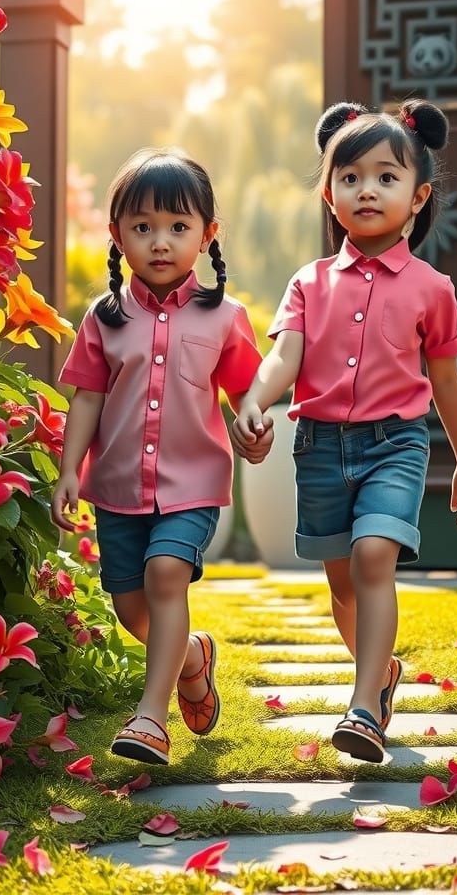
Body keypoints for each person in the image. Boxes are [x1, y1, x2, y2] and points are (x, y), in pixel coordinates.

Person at [232, 100, 457, 763]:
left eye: (385, 176)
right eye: (349, 177)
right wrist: (255, 399)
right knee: (343, 585)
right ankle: (383, 672)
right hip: (318, 446)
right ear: (328, 193)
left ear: (418, 195)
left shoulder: (433, 289)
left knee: (376, 558)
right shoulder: (308, 283)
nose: (366, 189)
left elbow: (448, 383)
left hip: (396, 444)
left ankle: (364, 705)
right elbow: (284, 354)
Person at [51, 148, 271, 766]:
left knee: (166, 576)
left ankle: (152, 717)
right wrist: (70, 470)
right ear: (117, 234)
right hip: (117, 486)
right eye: (142, 226)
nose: (160, 241)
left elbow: (245, 396)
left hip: (192, 484)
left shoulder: (226, 317)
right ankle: (193, 656)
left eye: (178, 226)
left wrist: (253, 428)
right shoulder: (105, 317)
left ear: (207, 234)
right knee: (132, 608)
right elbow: (88, 398)